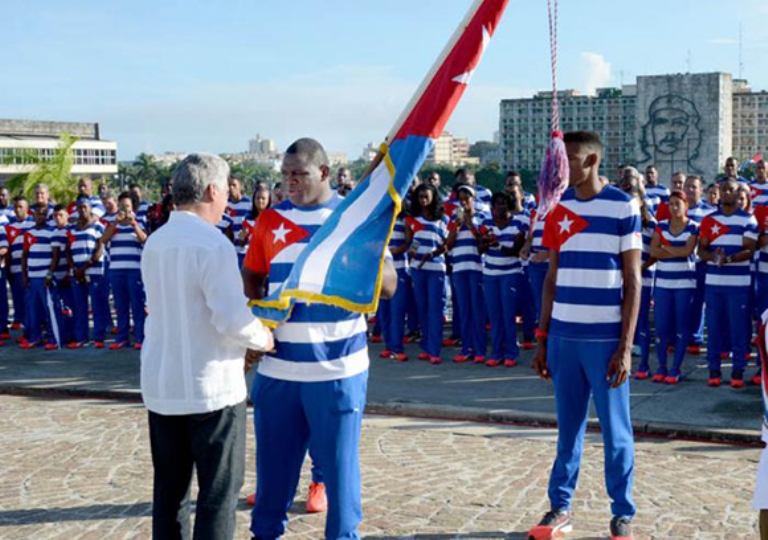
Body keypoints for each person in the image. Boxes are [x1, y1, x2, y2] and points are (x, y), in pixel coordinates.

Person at [242, 138, 395, 540]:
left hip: (337, 370)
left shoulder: (354, 218)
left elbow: (391, 286)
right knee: (272, 476)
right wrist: (258, 323)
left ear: (324, 173)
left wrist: (367, 255)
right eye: (285, 175)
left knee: (340, 477)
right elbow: (253, 275)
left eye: (299, 174)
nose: (289, 182)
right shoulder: (269, 220)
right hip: (278, 371)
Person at [141, 153, 273, 540]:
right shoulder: (211, 243)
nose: (227, 202)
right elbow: (230, 317)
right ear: (213, 190)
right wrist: (263, 337)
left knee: (170, 495)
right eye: (225, 191)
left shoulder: (157, 241)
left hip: (164, 386)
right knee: (217, 497)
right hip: (212, 389)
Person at [529, 131, 640, 540]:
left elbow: (633, 280)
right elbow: (551, 279)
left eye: (570, 159)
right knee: (568, 430)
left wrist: (625, 348)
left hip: (605, 341)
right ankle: (560, 507)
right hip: (563, 338)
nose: (562, 167)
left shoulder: (623, 206)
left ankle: (622, 513)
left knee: (616, 432)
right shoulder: (559, 207)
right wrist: (542, 338)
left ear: (591, 161)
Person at [698, 177, 758, 388]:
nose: (726, 193)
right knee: (714, 328)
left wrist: (729, 259)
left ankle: (738, 370)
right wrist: (713, 258)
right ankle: (713, 370)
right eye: (723, 190)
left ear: (738, 193)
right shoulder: (708, 220)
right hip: (714, 284)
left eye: (730, 190)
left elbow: (750, 250)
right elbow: (701, 250)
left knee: (739, 329)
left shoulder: (748, 220)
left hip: (739, 286)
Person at [647, 191, 698, 383]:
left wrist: (665, 248)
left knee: (680, 327)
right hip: (662, 284)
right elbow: (653, 251)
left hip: (684, 284)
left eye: (678, 204)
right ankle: (661, 366)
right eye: (671, 204)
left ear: (685, 205)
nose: (674, 207)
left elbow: (687, 250)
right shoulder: (661, 226)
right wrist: (673, 250)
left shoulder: (693, 226)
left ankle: (675, 368)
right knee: (661, 327)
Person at [479, 191, 528, 367]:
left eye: (504, 203)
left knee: (508, 315)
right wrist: (485, 242)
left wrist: (497, 244)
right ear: (492, 207)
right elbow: (480, 249)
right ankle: (496, 352)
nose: (500, 206)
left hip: (511, 273)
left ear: (509, 205)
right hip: (490, 273)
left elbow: (517, 250)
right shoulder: (486, 223)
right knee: (494, 316)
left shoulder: (519, 222)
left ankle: (511, 353)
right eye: (497, 203)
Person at [403, 183, 449, 365]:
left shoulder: (442, 219)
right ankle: (425, 347)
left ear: (433, 198)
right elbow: (410, 242)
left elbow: (447, 244)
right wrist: (412, 252)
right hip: (417, 268)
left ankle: (435, 350)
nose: (423, 200)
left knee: (435, 310)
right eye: (420, 197)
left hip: (436, 268)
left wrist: (433, 254)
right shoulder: (411, 219)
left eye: (426, 197)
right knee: (422, 309)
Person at [619, 166, 656, 376]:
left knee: (640, 318)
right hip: (621, 279)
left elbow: (654, 253)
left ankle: (643, 364)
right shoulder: (619, 222)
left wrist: (637, 270)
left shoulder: (650, 224)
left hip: (644, 278)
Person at [445, 183, 487, 364]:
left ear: (473, 198)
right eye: (460, 199)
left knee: (477, 310)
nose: (463, 202)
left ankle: (480, 350)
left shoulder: (484, 215)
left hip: (476, 267)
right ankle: (466, 348)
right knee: (463, 309)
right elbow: (449, 244)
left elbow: (483, 241)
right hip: (459, 267)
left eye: (467, 198)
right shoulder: (454, 218)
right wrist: (456, 227)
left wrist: (470, 224)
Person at [100, 191, 148, 350]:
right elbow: (103, 240)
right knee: (121, 306)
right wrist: (115, 224)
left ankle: (140, 338)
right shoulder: (111, 223)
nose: (124, 210)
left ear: (133, 207)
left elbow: (145, 240)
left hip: (134, 270)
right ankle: (122, 338)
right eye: (121, 206)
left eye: (127, 206)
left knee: (137, 306)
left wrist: (134, 224)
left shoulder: (140, 220)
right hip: (116, 270)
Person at [66, 198, 108, 349]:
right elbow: (67, 250)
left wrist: (83, 269)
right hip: (76, 274)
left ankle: (99, 337)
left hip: (95, 272)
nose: (82, 209)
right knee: (80, 307)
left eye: (85, 207)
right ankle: (81, 338)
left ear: (90, 208)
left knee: (98, 306)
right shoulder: (71, 228)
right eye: (79, 207)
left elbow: (99, 251)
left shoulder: (98, 227)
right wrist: (75, 270)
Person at [20, 204, 61, 350]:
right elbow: (24, 256)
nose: (40, 216)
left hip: (45, 278)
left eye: (43, 214)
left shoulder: (53, 232)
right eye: (38, 214)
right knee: (33, 310)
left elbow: (56, 256)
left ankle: (53, 338)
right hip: (32, 278)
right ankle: (35, 337)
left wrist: (49, 275)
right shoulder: (28, 233)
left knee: (50, 309)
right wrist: (24, 275)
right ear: (33, 215)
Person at [684, 175, 716, 354]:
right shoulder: (678, 209)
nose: (689, 190)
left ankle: (695, 339)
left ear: (700, 190)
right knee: (681, 302)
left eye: (693, 187)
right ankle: (678, 336)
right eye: (687, 186)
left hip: (700, 264)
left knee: (697, 302)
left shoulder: (709, 212)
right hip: (680, 263)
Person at [6, 196, 35, 334]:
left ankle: (32, 332)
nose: (18, 210)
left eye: (21, 207)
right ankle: (24, 329)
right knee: (19, 301)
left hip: (31, 270)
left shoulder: (34, 224)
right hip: (14, 269)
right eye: (15, 207)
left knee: (31, 302)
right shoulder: (9, 226)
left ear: (27, 208)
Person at [51, 204, 75, 346]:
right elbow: (55, 256)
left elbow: (70, 253)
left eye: (61, 215)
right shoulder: (53, 233)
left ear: (67, 215)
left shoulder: (71, 231)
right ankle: (63, 336)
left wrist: (68, 272)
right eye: (55, 215)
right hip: (57, 276)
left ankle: (74, 336)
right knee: (60, 308)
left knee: (71, 307)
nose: (58, 218)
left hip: (70, 275)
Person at [237, 184, 272, 257]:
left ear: (268, 200)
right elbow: (242, 244)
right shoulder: (248, 218)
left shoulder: (274, 218)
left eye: (263, 198)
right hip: (253, 258)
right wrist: (241, 238)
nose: (260, 201)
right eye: (258, 198)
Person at [226, 176, 252, 267]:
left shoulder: (249, 203)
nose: (231, 188)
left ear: (240, 187)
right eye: (229, 185)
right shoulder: (224, 203)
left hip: (245, 249)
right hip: (230, 250)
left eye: (234, 185)